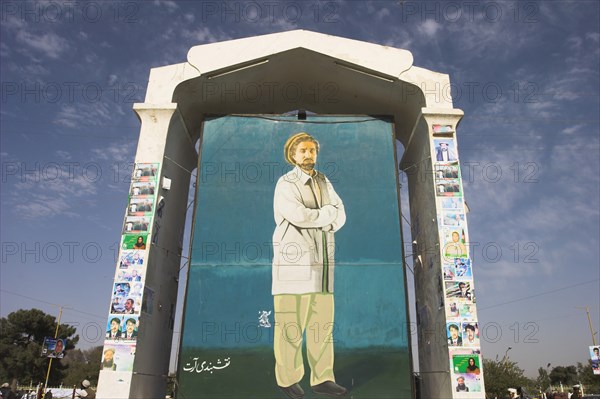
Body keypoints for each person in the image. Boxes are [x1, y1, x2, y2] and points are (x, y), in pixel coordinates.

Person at [272, 132, 347, 399]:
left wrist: (327, 216)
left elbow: (341, 214)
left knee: (322, 327)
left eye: (312, 150)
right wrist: (326, 215)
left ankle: (323, 378)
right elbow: (297, 215)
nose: (308, 155)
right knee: (290, 327)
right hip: (294, 266)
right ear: (293, 155)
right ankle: (288, 379)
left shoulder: (324, 181)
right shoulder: (286, 182)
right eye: (302, 151)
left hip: (324, 268)